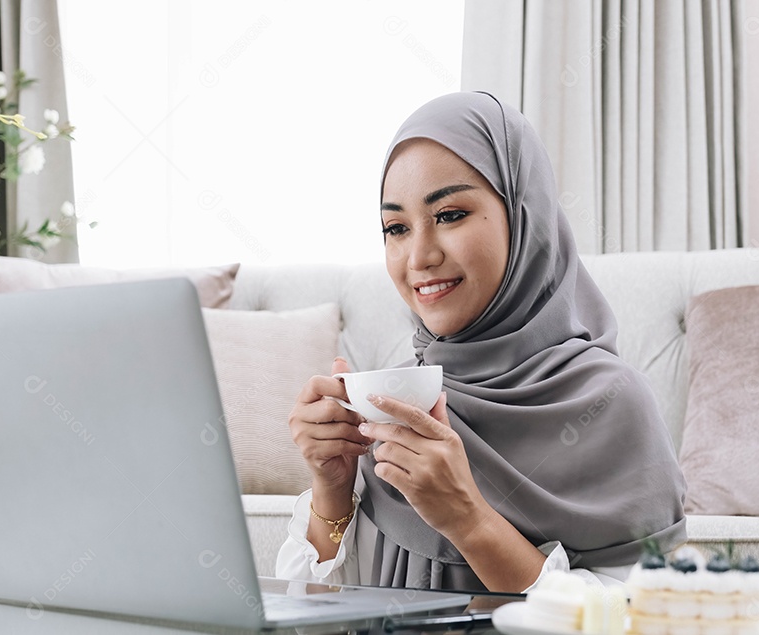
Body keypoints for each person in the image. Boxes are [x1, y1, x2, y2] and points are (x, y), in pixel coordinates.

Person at [276, 92, 687, 593]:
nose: (419, 256)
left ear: (523, 216)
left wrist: (469, 519)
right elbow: (316, 617)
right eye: (396, 228)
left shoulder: (610, 402)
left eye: (449, 215)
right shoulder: (396, 395)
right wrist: (332, 488)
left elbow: (640, 620)